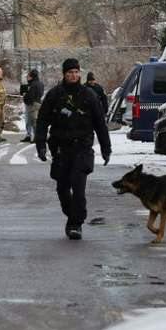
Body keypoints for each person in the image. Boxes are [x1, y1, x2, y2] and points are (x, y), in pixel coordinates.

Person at [35, 58, 112, 239]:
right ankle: (72, 215)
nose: (74, 75)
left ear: (80, 73)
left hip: (83, 147)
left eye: (76, 72)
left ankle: (75, 224)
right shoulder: (54, 95)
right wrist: (40, 144)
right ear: (64, 74)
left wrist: (106, 148)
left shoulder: (89, 95)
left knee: (78, 186)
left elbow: (100, 124)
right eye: (70, 72)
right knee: (62, 188)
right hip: (61, 148)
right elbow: (42, 121)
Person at [22, 68, 45, 143]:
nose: (27, 78)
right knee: (33, 120)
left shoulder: (33, 84)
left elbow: (30, 95)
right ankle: (31, 136)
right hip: (38, 103)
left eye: (28, 76)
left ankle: (36, 137)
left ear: (32, 76)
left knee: (33, 121)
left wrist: (25, 97)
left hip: (32, 104)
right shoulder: (40, 83)